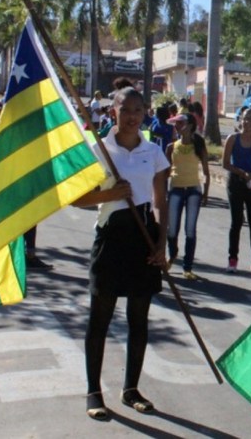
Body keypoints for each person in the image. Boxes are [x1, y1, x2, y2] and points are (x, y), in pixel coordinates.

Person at [71, 86, 169, 420]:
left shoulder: (153, 151)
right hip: (111, 239)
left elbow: (160, 201)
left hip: (143, 239)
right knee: (99, 319)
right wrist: (110, 194)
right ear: (113, 110)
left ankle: (131, 390)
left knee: (138, 320)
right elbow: (76, 198)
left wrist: (161, 243)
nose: (131, 117)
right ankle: (93, 392)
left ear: (145, 113)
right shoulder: (99, 149)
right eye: (125, 109)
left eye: (138, 110)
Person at [165, 113, 210, 279]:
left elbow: (206, 171)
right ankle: (172, 254)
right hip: (175, 189)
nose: (177, 127)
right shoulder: (171, 147)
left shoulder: (198, 146)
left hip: (193, 191)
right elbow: (164, 172)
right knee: (172, 230)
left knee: (190, 230)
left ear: (190, 126)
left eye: (180, 123)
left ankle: (187, 267)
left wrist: (205, 192)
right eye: (175, 124)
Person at [223, 108, 251, 273]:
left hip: (250, 183)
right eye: (244, 118)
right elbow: (225, 164)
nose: (246, 122)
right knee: (237, 221)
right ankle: (232, 259)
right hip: (235, 182)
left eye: (250, 119)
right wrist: (242, 174)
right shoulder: (233, 139)